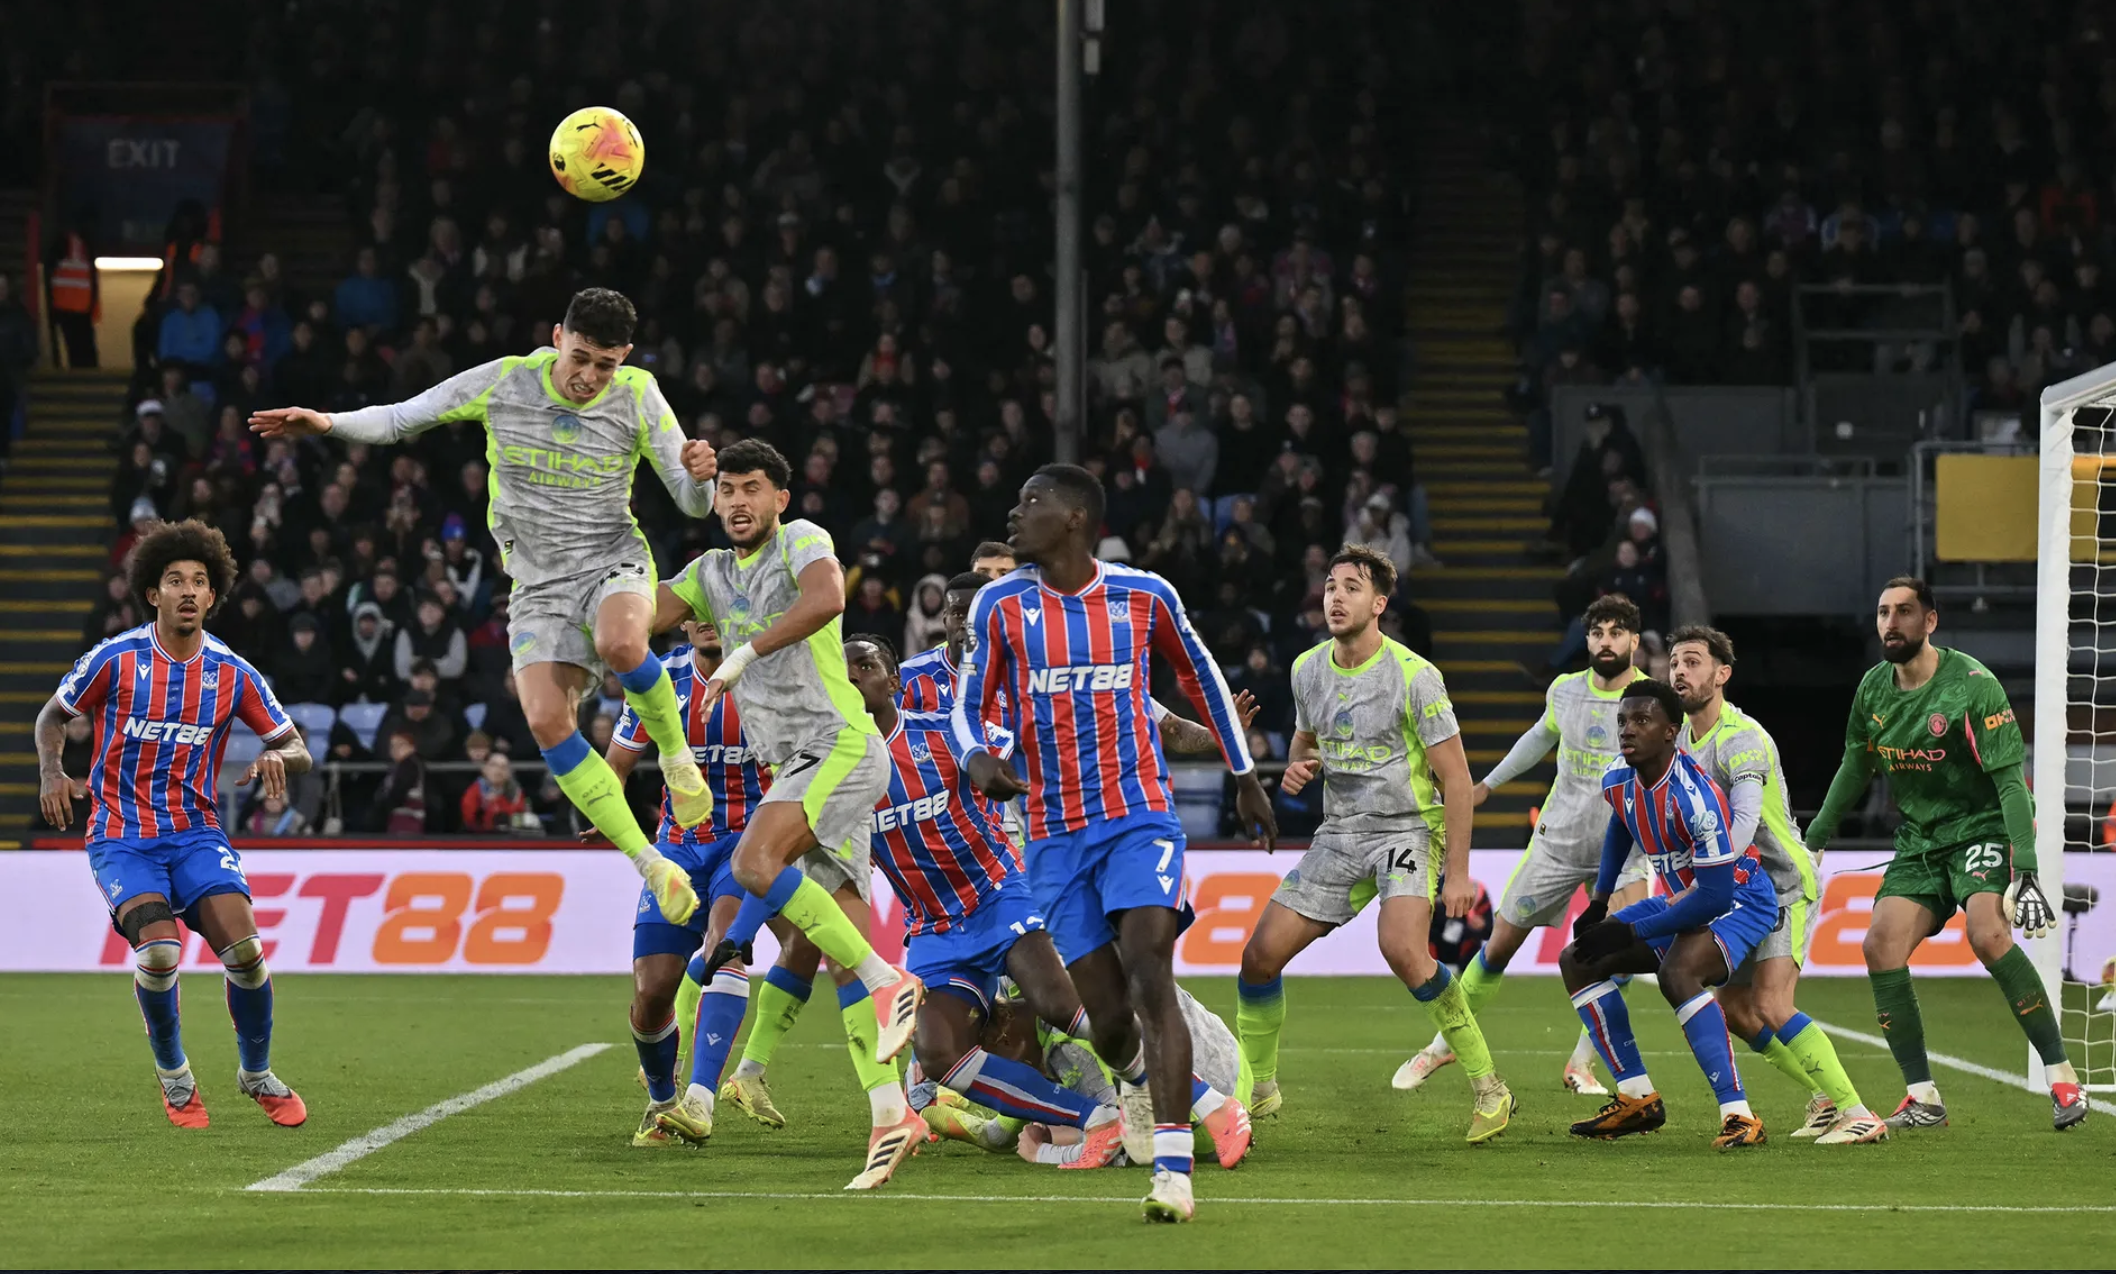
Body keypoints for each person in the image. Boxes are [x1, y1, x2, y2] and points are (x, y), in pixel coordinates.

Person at [251, 287, 718, 927]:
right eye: (580, 357)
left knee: (621, 645)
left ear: (624, 358)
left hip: (613, 559)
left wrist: (701, 475)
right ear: (558, 336)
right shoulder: (505, 381)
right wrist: (329, 424)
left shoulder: (637, 393)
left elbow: (694, 505)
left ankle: (676, 760)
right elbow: (401, 418)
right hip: (537, 586)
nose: (588, 377)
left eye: (604, 365)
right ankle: (649, 863)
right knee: (550, 723)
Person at [951, 463, 1278, 1223]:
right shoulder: (999, 606)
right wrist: (976, 761)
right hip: (1054, 839)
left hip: (1139, 819)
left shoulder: (1144, 594)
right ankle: (1164, 1088)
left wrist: (1245, 774)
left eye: (1032, 502)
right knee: (1104, 1018)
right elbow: (971, 704)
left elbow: (1201, 677)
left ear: (1073, 519)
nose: (1015, 512)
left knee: (1148, 973)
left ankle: (1171, 1169)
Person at [650, 438, 925, 1189]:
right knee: (832, 949)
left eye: (751, 489)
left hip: (836, 747)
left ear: (780, 499)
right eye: (726, 491)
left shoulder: (806, 542)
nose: (736, 502)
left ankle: (886, 977)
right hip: (801, 770)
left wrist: (744, 654)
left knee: (752, 863)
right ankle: (890, 1112)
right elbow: (641, 615)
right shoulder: (708, 574)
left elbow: (828, 598)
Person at [845, 635, 1168, 1170]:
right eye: (844, 669)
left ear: (895, 681)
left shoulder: (943, 732)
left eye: (867, 665)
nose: (854, 676)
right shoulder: (834, 774)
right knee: (938, 1052)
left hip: (997, 893)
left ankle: (1185, 1091)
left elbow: (1021, 748)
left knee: (1059, 1006)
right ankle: (1097, 1120)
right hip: (933, 928)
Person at [33, 519, 311, 1128]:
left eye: (201, 581)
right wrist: (53, 770)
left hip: (194, 833)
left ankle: (255, 1073)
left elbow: (299, 749)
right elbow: (52, 715)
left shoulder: (233, 672)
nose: (188, 590)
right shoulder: (117, 658)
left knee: (247, 952)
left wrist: (276, 755)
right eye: (175, 580)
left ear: (214, 596)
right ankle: (175, 1077)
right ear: (152, 593)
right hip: (121, 834)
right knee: (160, 954)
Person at [1234, 546, 1513, 1143]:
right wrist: (1296, 770)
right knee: (1257, 960)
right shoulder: (1307, 669)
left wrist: (1458, 875)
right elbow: (1305, 744)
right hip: (1339, 833)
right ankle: (1258, 1089)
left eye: (1351, 588)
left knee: (1403, 950)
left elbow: (1458, 780)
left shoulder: (1415, 676)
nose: (1335, 597)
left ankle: (1489, 1086)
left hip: (1408, 828)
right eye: (1330, 586)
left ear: (1379, 604)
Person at [1804, 577, 2083, 1131]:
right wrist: (1814, 839)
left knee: (1986, 932)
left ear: (1929, 621)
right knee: (1879, 944)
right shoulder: (1872, 690)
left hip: (1980, 829)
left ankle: (2063, 1076)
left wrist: (2024, 871)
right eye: (1884, 612)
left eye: (1904, 611)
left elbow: (2009, 783)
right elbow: (1856, 767)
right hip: (1919, 841)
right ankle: (1922, 1095)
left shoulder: (1975, 685)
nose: (1891, 622)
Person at [1394, 593, 1654, 1094]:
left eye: (1616, 632)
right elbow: (1538, 738)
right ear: (1587, 639)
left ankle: (1582, 1064)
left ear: (1634, 642)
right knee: (1497, 948)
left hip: (1624, 850)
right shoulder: (1564, 691)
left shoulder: (1653, 698)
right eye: (1597, 632)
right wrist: (1486, 785)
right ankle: (1442, 1046)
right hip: (1557, 843)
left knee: (1626, 949)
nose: (1606, 641)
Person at [1667, 625, 1884, 1144]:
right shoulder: (1677, 739)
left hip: (1781, 882)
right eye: (1674, 662)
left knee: (1771, 1003)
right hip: (1736, 889)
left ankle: (1859, 1114)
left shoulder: (1742, 738)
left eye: (1693, 662)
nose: (1679, 671)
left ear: (1722, 675)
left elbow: (1742, 824)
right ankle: (1826, 1099)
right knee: (1736, 1010)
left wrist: (1702, 876)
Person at [1559, 679, 1776, 1149]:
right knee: (1577, 959)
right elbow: (1622, 820)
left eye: (1642, 721)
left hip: (1739, 898)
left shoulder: (1694, 798)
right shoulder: (1618, 774)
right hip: (1684, 899)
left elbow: (1715, 898)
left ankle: (1740, 1116)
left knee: (1678, 973)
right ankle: (1637, 1098)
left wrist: (1629, 931)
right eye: (1622, 721)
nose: (1627, 731)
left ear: (1670, 732)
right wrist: (1600, 901)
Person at [590, 620, 775, 1149]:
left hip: (748, 839)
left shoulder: (771, 675)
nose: (702, 619)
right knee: (651, 992)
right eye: (692, 610)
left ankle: (701, 1099)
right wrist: (606, 807)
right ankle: (662, 1098)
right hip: (677, 847)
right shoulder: (659, 678)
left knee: (725, 950)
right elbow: (619, 762)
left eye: (712, 607)